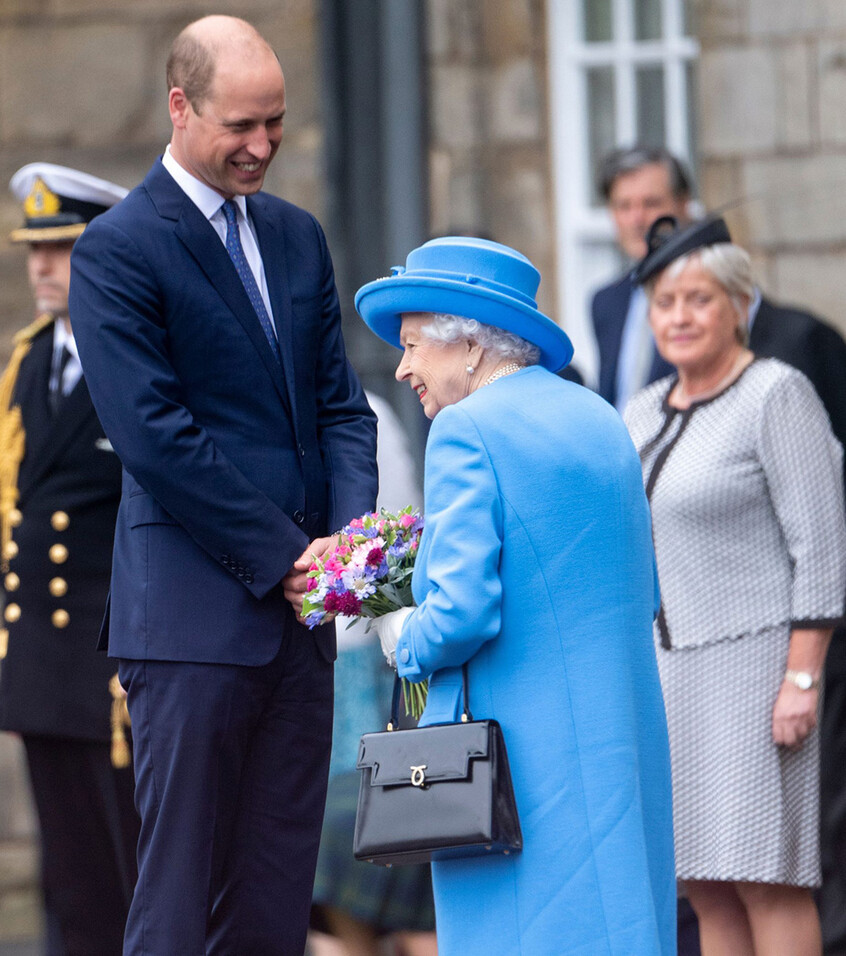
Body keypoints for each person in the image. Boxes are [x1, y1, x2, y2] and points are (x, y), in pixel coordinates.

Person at [67, 15, 377, 955]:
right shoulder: (118, 250)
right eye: (240, 125)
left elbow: (342, 412)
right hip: (193, 630)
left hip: (300, 629)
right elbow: (155, 438)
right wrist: (290, 557)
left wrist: (345, 550)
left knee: (278, 897)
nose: (261, 146)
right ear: (179, 106)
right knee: (177, 897)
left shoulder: (295, 235)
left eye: (275, 123)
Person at [354, 236, 677, 955]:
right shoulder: (598, 416)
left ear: (467, 345)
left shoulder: (468, 430)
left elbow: (463, 613)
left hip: (516, 763)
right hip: (617, 736)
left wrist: (399, 630)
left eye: (413, 346)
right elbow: (644, 590)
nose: (404, 367)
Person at [624, 215, 846, 956]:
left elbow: (820, 543)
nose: (679, 317)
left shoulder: (775, 394)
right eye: (665, 302)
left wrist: (803, 679)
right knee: (706, 882)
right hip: (671, 675)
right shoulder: (641, 411)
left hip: (757, 671)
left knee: (767, 878)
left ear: (739, 307)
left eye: (699, 299)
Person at [0, 162, 139, 954]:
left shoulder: (135, 360)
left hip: (118, 670)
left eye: (62, 248)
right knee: (71, 888)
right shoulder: (27, 365)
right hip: (45, 665)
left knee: (135, 874)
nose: (42, 266)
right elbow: (1, 511)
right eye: (33, 250)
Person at [309, 392, 437, 956]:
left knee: (392, 821)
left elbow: (402, 535)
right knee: (332, 838)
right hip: (313, 656)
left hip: (365, 657)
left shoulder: (371, 414)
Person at [592, 145, 691, 409]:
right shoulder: (605, 302)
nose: (637, 219)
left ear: (683, 204)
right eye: (624, 206)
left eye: (651, 203)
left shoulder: (708, 295)